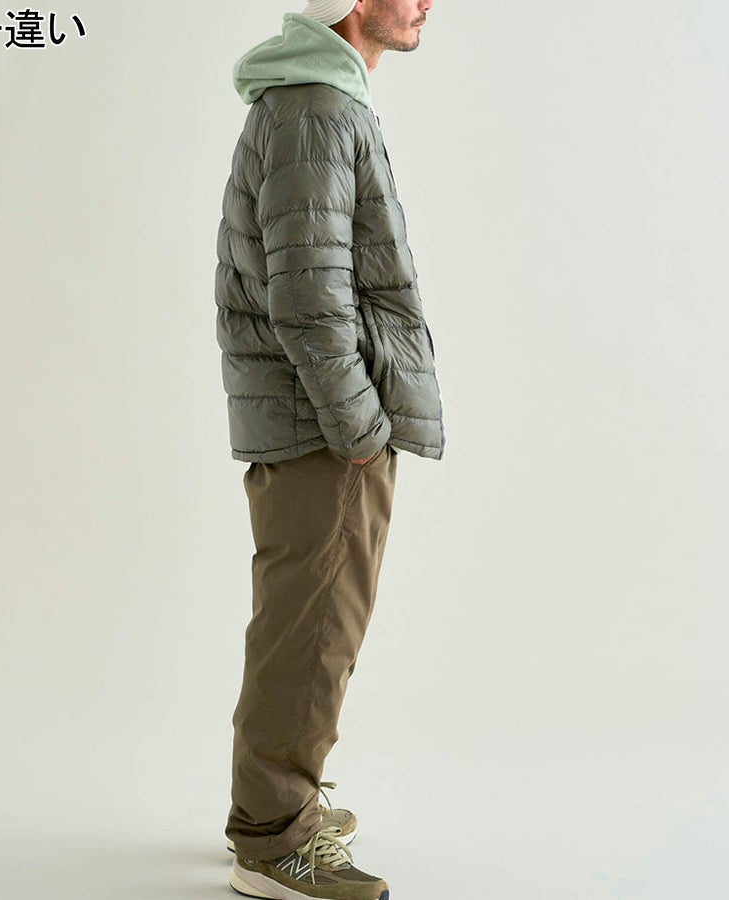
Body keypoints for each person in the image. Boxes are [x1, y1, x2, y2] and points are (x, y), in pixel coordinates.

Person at [214, 1, 442, 897]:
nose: (428, 3)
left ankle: (273, 805)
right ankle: (275, 840)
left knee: (303, 624)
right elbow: (308, 294)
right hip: (325, 428)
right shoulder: (314, 108)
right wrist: (358, 429)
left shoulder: (316, 100)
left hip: (317, 420)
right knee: (314, 633)